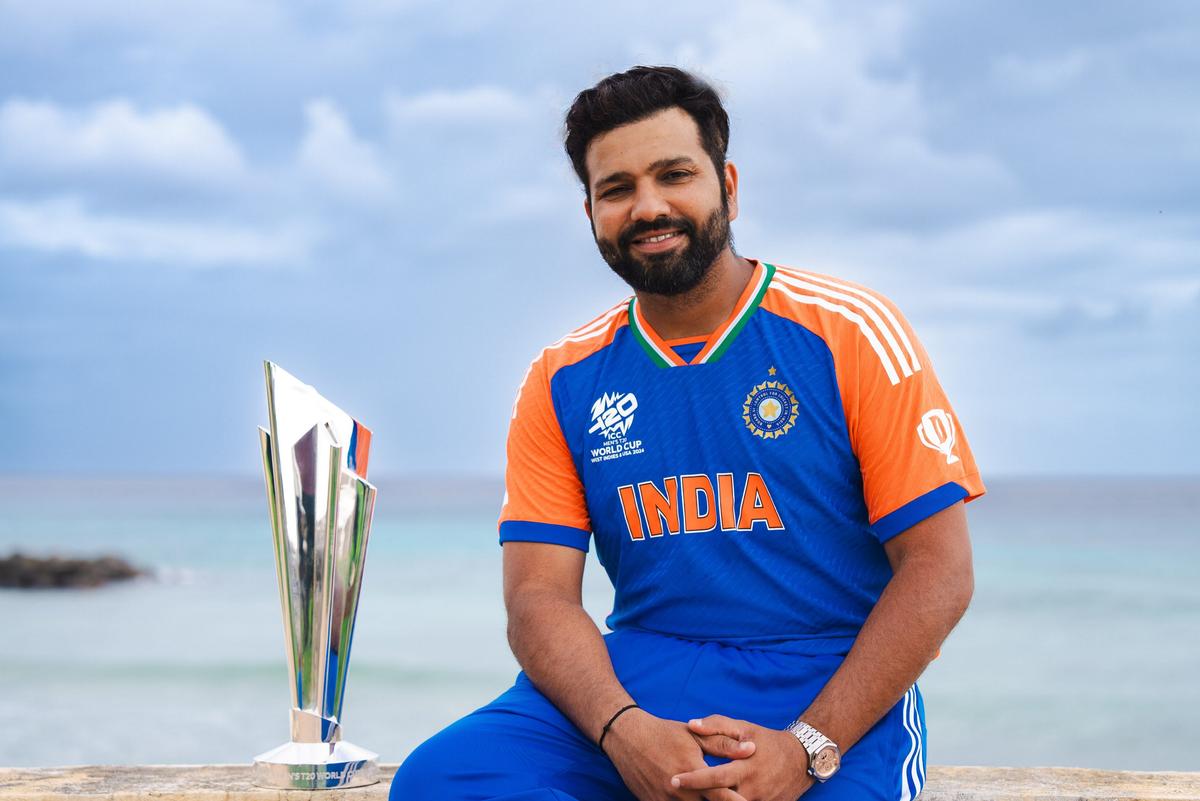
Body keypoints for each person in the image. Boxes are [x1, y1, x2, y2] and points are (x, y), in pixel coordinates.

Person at [390, 65, 984, 801]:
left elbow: (939, 568)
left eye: (675, 174)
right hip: (639, 675)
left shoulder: (849, 331)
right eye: (617, 189)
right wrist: (622, 728)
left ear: (727, 186)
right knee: (442, 779)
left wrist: (806, 748)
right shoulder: (562, 376)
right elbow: (539, 597)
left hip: (823, 680)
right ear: (591, 213)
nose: (649, 206)